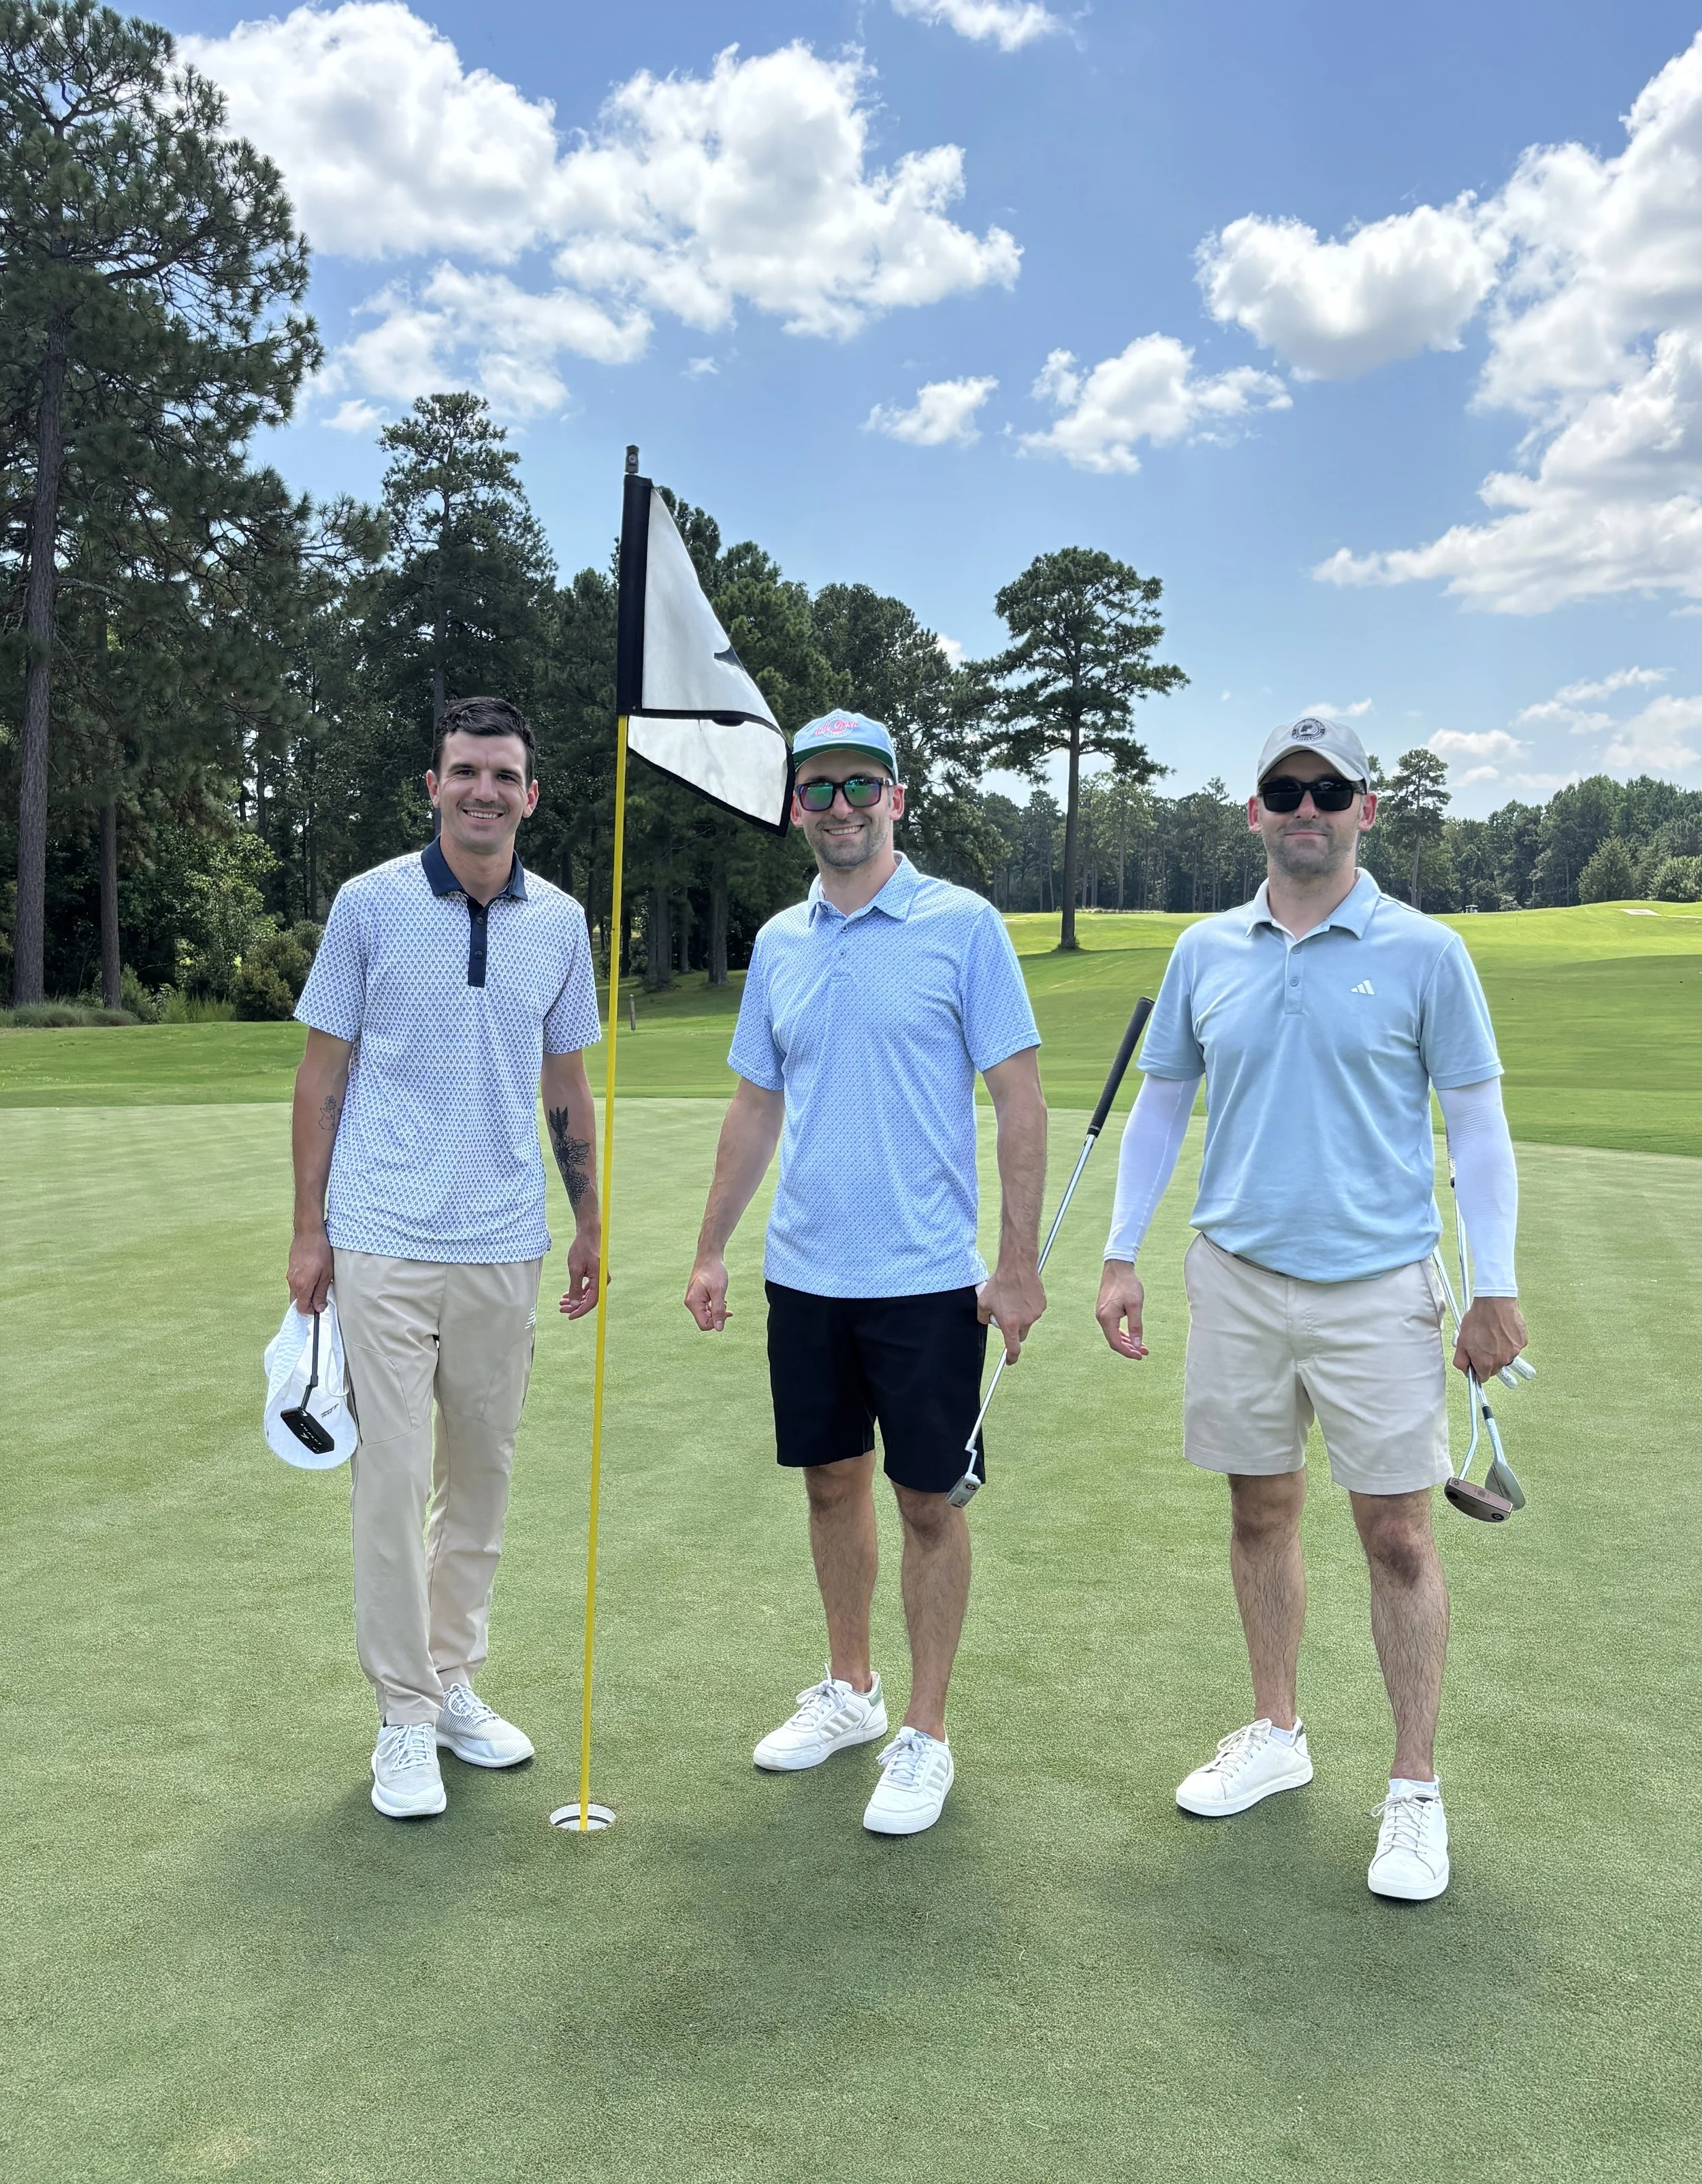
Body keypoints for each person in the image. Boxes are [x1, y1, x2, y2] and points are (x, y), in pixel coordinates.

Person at [1095, 716, 1528, 1901]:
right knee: (1259, 1513)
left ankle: (1413, 1792)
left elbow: (1478, 1127)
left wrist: (1496, 1284)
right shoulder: (1205, 952)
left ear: (1364, 809)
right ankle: (1278, 1734)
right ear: (1254, 811)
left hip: (1378, 1283)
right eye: (1285, 789)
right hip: (1235, 1275)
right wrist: (1120, 1252)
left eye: (1328, 789)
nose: (1306, 807)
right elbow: (1162, 1110)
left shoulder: (1427, 951)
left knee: (1397, 1535)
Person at [684, 710, 1048, 1836]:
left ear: (897, 796)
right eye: (818, 791)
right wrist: (711, 1247)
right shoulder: (782, 943)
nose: (839, 808)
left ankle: (924, 1734)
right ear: (796, 807)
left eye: (860, 787)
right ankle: (852, 1690)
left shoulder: (963, 926)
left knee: (929, 1503)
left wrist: (1018, 1265)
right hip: (806, 1277)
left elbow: (1019, 1101)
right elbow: (755, 1103)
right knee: (831, 1483)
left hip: (929, 1278)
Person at [287, 694, 603, 1820]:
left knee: (484, 1478)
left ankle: (454, 1676)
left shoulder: (561, 921)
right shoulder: (369, 904)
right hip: (380, 1234)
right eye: (463, 771)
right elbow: (322, 1076)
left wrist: (591, 1222)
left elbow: (567, 1083)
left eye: (502, 774)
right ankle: (404, 1718)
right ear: (434, 786)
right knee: (392, 1482)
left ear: (530, 793)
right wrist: (308, 1229)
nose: (483, 790)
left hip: (506, 1240)